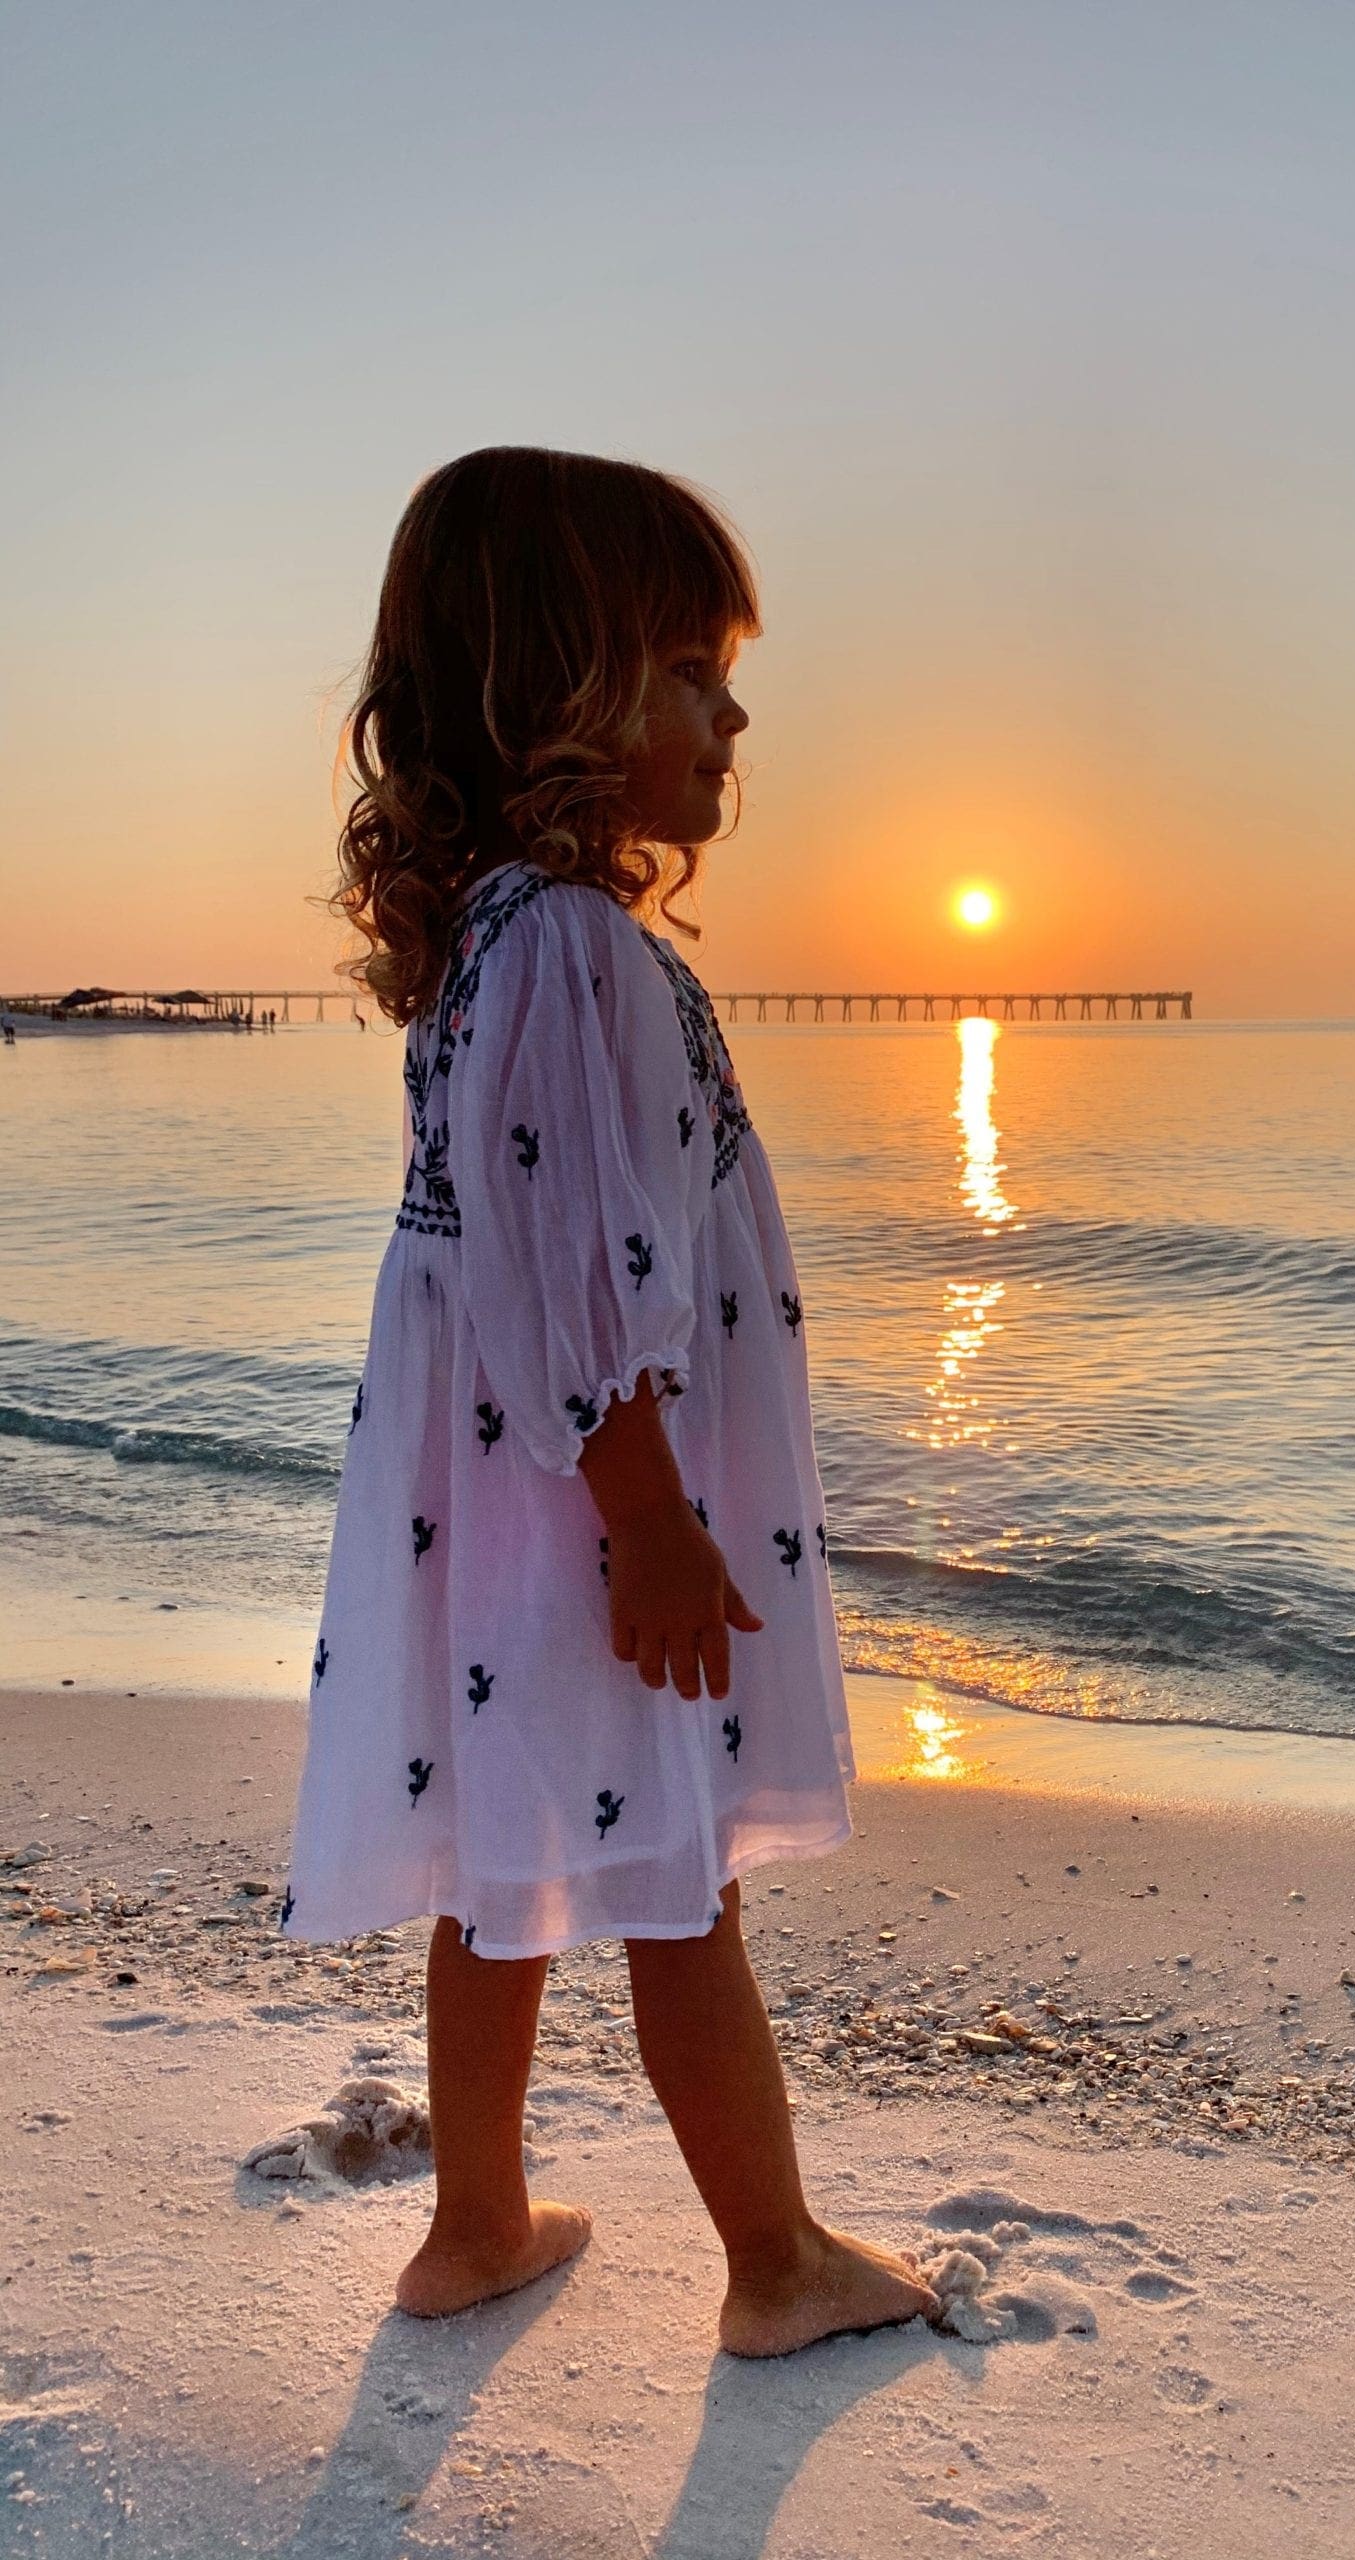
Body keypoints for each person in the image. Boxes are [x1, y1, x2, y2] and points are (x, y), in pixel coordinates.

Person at [282, 446, 937, 2355]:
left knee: (506, 1872)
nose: (731, 716)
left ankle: (475, 2226)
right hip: (597, 1510)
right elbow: (579, 1282)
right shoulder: (573, 951)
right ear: (555, 694)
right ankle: (776, 2267)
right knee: (677, 1881)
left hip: (502, 1512)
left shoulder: (491, 942)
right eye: (683, 671)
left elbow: (504, 1259)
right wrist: (652, 1521)